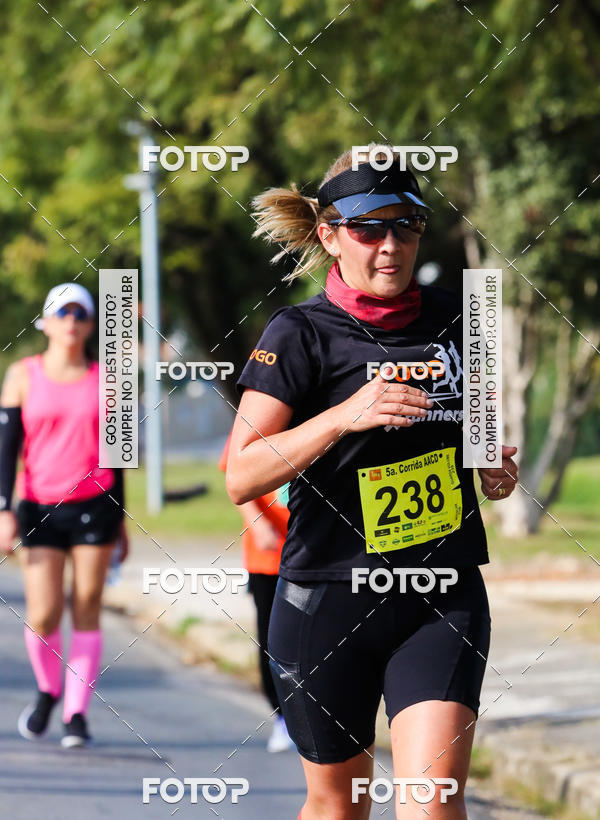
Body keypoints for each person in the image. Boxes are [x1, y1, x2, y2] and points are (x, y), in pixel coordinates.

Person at [225, 145, 518, 820]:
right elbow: (242, 473)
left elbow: (480, 438)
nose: (391, 246)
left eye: (406, 227)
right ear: (330, 234)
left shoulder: (460, 318)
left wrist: (494, 468)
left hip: (439, 593)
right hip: (325, 597)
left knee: (434, 800)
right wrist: (342, 417)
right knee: (338, 805)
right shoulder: (298, 333)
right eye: (369, 228)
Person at [0, 283, 128, 748]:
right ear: (46, 322)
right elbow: (6, 451)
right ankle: (48, 691)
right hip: (37, 506)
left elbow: (119, 455)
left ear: (91, 324)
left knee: (86, 605)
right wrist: (3, 512)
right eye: (62, 313)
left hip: (96, 506)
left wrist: (123, 520)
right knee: (44, 612)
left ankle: (76, 713)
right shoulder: (21, 375)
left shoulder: (109, 380)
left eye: (80, 314)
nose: (71, 321)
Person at [219, 432, 295, 753]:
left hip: (323, 550)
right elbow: (233, 470)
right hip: (270, 553)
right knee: (273, 639)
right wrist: (256, 522)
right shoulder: (265, 404)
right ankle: (282, 717)